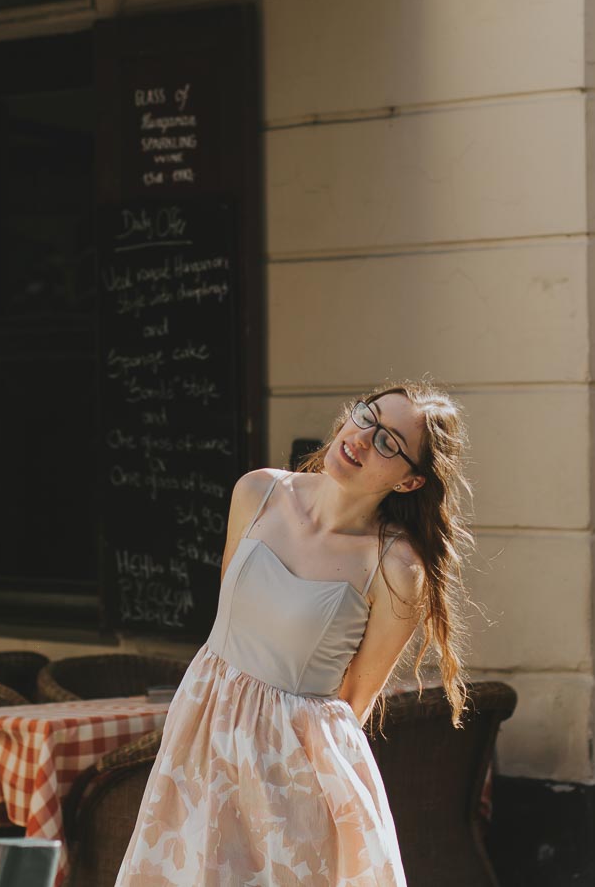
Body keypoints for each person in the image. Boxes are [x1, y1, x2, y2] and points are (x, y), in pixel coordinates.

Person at [115, 380, 474, 887]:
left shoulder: (394, 566)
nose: (363, 438)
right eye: (366, 416)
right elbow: (230, 623)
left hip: (290, 769)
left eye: (390, 442)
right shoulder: (257, 492)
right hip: (202, 726)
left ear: (410, 482)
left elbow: (353, 700)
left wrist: (274, 752)